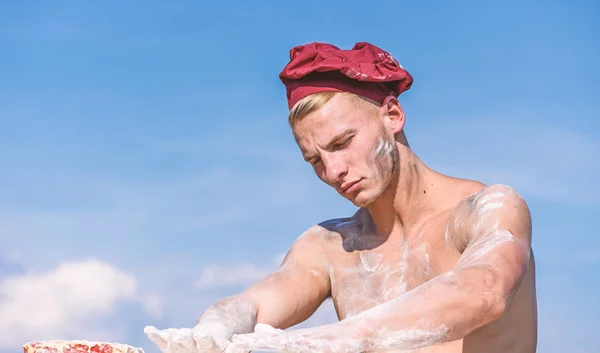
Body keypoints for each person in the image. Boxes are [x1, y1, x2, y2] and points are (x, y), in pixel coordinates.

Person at [144, 42, 537, 353]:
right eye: (314, 159)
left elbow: (484, 290)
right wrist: (215, 329)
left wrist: (349, 335)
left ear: (393, 115)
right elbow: (256, 305)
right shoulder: (330, 247)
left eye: (343, 143)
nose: (333, 172)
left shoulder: (485, 209)